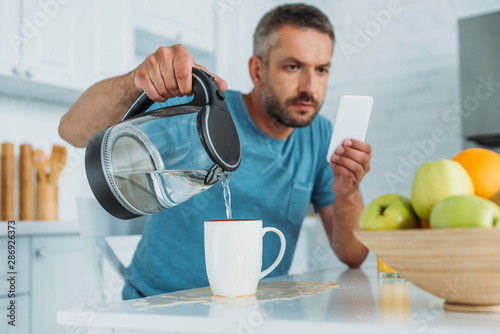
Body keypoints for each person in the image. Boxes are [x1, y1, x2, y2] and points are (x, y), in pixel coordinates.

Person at [59, 3, 372, 300]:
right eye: (293, 67)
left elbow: (354, 255)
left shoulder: (320, 137)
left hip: (251, 316)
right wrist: (136, 80)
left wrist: (348, 193)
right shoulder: (197, 110)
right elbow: (71, 130)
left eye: (321, 70)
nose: (310, 86)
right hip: (158, 310)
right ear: (257, 70)